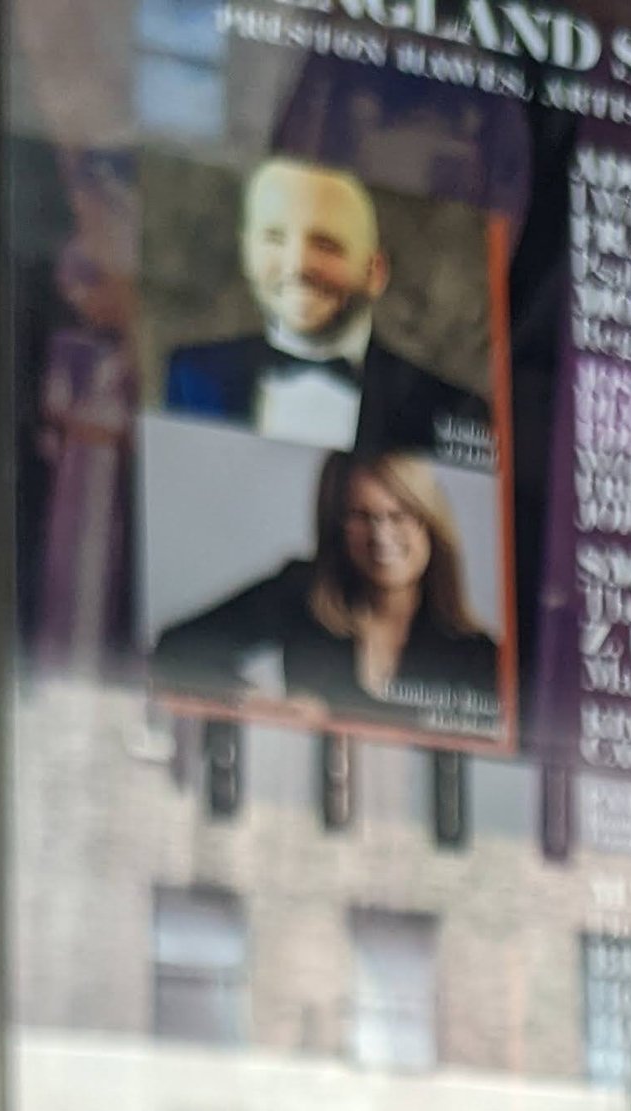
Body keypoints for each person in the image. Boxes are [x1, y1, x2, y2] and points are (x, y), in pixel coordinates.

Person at [153, 446, 503, 737]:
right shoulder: (302, 592)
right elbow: (176, 649)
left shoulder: (481, 657)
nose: (381, 536)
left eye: (399, 515)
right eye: (360, 516)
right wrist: (261, 704)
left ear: (431, 524)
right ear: (336, 526)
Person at [163, 157, 492, 461]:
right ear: (247, 253)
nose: (298, 266)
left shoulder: (449, 408)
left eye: (326, 245)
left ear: (375, 272)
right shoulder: (191, 377)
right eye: (274, 238)